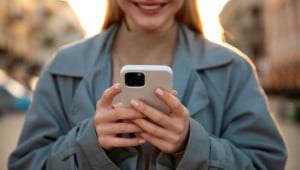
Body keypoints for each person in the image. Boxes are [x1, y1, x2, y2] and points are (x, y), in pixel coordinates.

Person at [8, 0, 287, 169]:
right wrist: (87, 143)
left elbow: (266, 164)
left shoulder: (233, 70)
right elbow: (25, 165)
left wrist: (191, 145)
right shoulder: (62, 67)